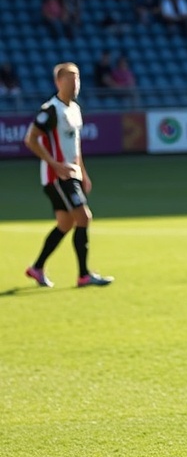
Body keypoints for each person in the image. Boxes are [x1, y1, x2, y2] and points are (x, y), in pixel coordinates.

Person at [23, 62, 114, 289]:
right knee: (83, 217)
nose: (75, 84)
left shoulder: (74, 109)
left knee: (65, 223)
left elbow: (75, 146)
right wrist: (55, 164)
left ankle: (37, 268)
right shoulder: (50, 110)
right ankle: (84, 275)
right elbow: (30, 139)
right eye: (70, 79)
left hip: (71, 174)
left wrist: (83, 173)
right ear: (58, 82)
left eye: (77, 79)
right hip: (57, 176)